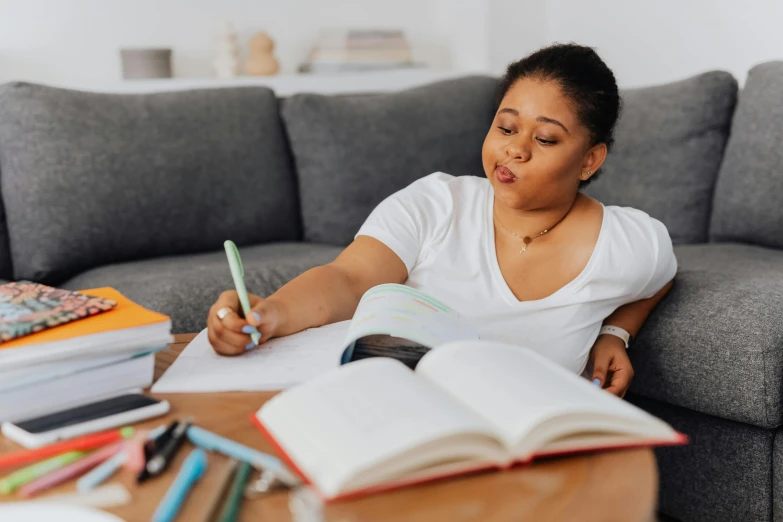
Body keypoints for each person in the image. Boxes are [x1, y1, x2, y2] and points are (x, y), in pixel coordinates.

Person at [206, 43, 676, 398]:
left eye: (546, 139)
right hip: (402, 414)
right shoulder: (436, 203)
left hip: (523, 451)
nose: (515, 148)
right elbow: (348, 280)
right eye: (506, 127)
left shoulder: (629, 243)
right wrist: (269, 314)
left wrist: (616, 332)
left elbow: (660, 276)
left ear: (590, 160)